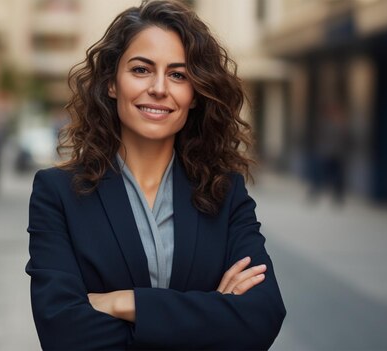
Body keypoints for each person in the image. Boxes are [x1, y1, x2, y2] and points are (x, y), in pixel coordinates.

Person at [26, 1, 286, 349]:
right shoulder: (58, 193)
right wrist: (212, 315)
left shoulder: (224, 192)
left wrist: (123, 302)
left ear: (194, 95)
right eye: (141, 70)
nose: (160, 88)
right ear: (111, 83)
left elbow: (261, 316)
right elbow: (63, 334)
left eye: (178, 75)